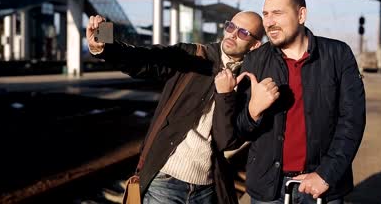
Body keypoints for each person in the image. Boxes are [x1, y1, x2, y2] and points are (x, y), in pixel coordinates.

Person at [86, 11, 264, 204]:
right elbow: (146, 60)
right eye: (231, 27)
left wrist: (226, 95)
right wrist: (105, 46)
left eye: (243, 33)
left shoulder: (248, 81)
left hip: (207, 187)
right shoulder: (194, 56)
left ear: (255, 44)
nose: (232, 34)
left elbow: (227, 141)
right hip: (166, 181)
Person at [231, 0, 366, 204]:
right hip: (268, 188)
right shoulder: (255, 60)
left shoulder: (338, 55)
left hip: (320, 186)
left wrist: (326, 175)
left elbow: (352, 121)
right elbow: (238, 130)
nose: (269, 22)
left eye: (278, 13)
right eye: (265, 14)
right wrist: (253, 110)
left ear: (301, 14)